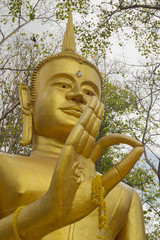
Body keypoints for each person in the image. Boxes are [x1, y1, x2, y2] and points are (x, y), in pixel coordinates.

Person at [0, 13, 146, 239]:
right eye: (63, 84)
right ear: (28, 99)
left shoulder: (122, 195)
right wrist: (44, 214)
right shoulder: (4, 167)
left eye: (89, 91)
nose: (78, 95)